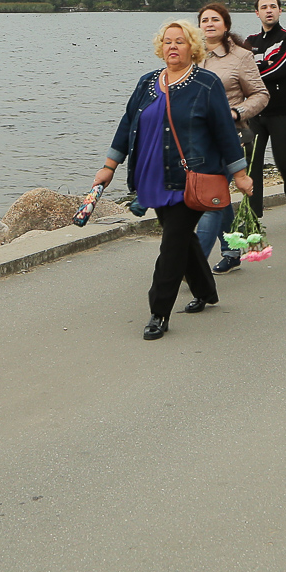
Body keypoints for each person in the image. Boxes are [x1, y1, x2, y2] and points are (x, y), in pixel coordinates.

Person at [96, 21, 253, 340]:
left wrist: (239, 174)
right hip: (153, 176)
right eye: (167, 41)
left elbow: (224, 131)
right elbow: (127, 124)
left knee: (171, 245)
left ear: (192, 47)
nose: (172, 46)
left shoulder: (206, 83)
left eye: (180, 41)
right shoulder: (147, 82)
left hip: (191, 177)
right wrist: (109, 166)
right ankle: (206, 290)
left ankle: (159, 312)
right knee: (180, 238)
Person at [192, 3, 268, 274]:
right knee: (219, 197)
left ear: (226, 25)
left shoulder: (241, 56)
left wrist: (237, 112)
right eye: (204, 20)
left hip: (229, 138)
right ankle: (233, 250)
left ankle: (193, 264)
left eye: (215, 20)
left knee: (210, 199)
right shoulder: (192, 54)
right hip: (196, 139)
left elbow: (261, 94)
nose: (209, 24)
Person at [246, 0, 286, 227]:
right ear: (257, 13)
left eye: (273, 6)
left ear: (280, 10)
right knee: (252, 163)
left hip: (280, 111)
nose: (269, 10)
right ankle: (253, 215)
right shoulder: (250, 41)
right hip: (254, 112)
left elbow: (279, 68)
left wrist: (253, 75)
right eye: (264, 7)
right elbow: (240, 69)